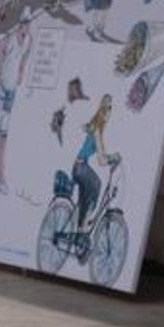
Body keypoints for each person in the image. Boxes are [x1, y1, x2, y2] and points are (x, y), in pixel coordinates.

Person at [0, 7, 33, 195]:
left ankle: (1, 177)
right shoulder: (10, 37)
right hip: (1, 89)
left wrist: (21, 71)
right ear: (20, 23)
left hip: (11, 93)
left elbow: (25, 55)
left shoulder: (28, 41)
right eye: (24, 23)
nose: (25, 26)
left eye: (28, 23)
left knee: (4, 136)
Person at [73, 94, 118, 232]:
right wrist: (113, 158)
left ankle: (80, 229)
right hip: (81, 167)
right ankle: (85, 224)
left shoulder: (94, 126)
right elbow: (101, 161)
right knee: (97, 184)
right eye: (108, 108)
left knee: (84, 200)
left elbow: (86, 129)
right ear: (104, 111)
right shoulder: (97, 130)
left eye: (111, 108)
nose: (110, 112)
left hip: (77, 167)